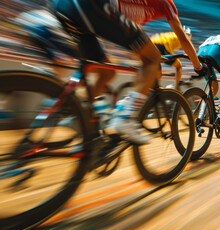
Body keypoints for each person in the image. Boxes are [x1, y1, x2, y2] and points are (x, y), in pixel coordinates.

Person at [49, 0, 206, 144]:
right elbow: (184, 39)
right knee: (153, 59)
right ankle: (125, 118)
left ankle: (79, 117)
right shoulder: (167, 4)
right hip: (92, 6)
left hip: (64, 7)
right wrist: (198, 66)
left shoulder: (141, 8)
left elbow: (130, 33)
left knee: (106, 72)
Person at [151, 26, 192, 90]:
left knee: (156, 71)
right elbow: (190, 53)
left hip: (151, 43)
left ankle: (153, 87)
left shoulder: (173, 34)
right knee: (179, 66)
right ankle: (176, 86)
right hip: (162, 47)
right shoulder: (184, 38)